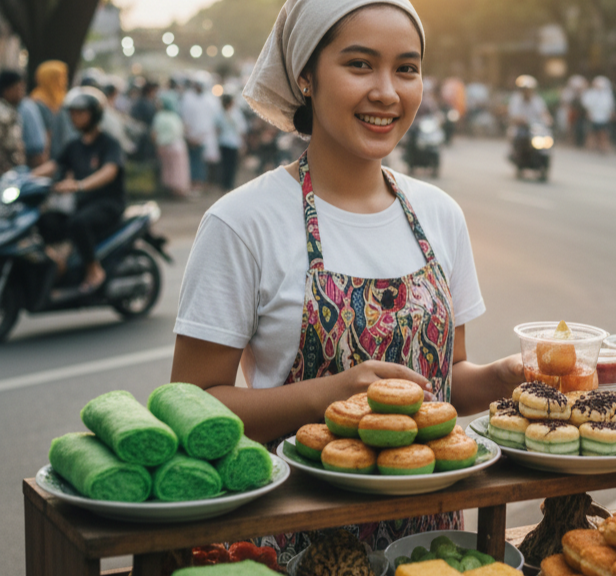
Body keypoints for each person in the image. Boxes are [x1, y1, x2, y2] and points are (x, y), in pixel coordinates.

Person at [170, 0, 523, 561]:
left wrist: (507, 377)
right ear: (305, 76)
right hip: (292, 545)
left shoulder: (438, 214)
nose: (387, 91)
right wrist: (327, 395)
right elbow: (192, 404)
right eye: (360, 64)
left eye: (406, 68)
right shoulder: (242, 223)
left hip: (429, 553)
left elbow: (446, 380)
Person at [30, 87, 125, 292]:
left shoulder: (109, 143)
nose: (74, 117)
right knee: (45, 221)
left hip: (108, 204)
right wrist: (23, 178)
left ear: (94, 114)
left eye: (80, 113)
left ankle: (94, 270)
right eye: (72, 113)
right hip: (83, 203)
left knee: (78, 223)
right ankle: (60, 263)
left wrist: (81, 185)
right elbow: (53, 166)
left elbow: (110, 171)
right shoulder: (74, 145)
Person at [30, 61, 76, 160]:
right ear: (49, 79)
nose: (65, 81)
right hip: (48, 157)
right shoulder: (38, 103)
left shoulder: (63, 100)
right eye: (60, 77)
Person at [152, 92, 191, 198]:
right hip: (178, 146)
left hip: (165, 147)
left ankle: (171, 191)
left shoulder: (159, 117)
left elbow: (154, 134)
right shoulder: (175, 116)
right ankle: (179, 191)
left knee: (168, 169)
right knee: (179, 170)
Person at [507, 74, 551, 164]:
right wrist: (520, 120)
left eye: (529, 90)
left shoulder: (537, 100)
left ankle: (545, 157)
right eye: (525, 90)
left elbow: (543, 112)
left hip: (535, 127)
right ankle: (516, 154)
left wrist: (548, 119)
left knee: (547, 136)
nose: (527, 92)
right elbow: (513, 115)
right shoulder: (516, 100)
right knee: (515, 135)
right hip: (521, 127)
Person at [214, 93, 246, 190]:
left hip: (225, 141)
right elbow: (241, 129)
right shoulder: (235, 114)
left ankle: (226, 183)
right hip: (231, 142)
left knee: (226, 163)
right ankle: (228, 183)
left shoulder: (221, 114)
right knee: (230, 164)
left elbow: (217, 129)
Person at [0, 70, 25, 172]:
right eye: (19, 88)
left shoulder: (12, 111)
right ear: (7, 90)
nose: (22, 92)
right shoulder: (3, 114)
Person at [582, 76, 614, 154]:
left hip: (603, 117)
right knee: (591, 132)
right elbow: (586, 103)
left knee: (603, 133)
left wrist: (610, 114)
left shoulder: (607, 94)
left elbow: (610, 105)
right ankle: (591, 146)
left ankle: (603, 147)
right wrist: (589, 112)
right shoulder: (591, 93)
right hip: (593, 116)